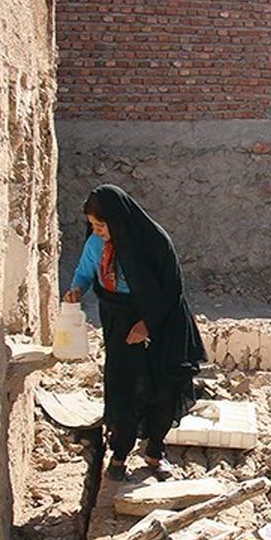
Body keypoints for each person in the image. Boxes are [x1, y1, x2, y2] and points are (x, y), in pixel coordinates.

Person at [64, 184, 207, 482]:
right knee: (124, 386)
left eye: (102, 225)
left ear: (117, 221)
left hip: (161, 321)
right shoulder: (96, 245)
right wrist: (77, 290)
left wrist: (147, 324)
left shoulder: (153, 242)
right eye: (93, 226)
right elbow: (85, 272)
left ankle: (155, 449)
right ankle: (119, 452)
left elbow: (170, 289)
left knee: (163, 386)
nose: (98, 231)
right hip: (118, 321)